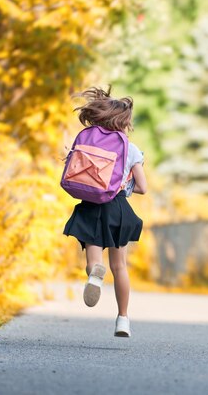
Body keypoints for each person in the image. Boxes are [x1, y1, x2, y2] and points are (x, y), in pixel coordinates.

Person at [63, 86, 147, 338]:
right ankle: (123, 319)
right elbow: (143, 187)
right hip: (117, 208)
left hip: (91, 206)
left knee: (94, 262)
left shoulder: (87, 139)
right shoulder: (130, 149)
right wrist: (126, 182)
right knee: (119, 266)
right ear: (123, 121)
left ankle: (95, 276)